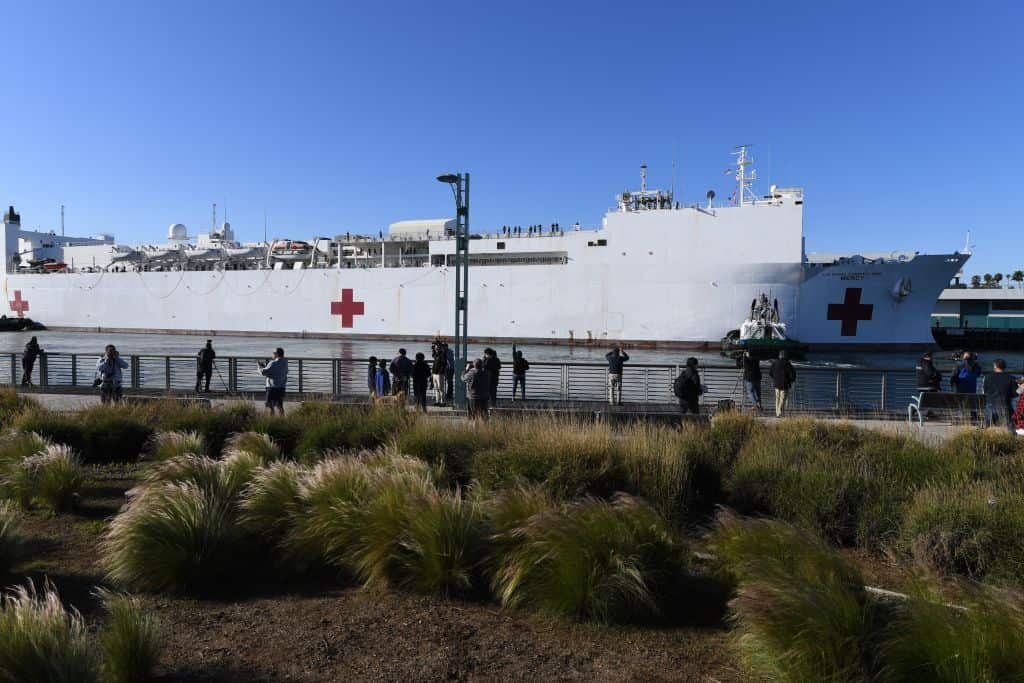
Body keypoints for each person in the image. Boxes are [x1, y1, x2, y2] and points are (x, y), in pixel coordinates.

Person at [983, 358, 1016, 434]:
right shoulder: (1011, 378)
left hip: (990, 406)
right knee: (1011, 424)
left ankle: (978, 436)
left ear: (995, 366)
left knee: (985, 424)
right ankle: (1012, 437)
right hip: (1005, 407)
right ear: (1004, 367)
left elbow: (985, 391)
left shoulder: (987, 377)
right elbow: (1014, 394)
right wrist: (1021, 388)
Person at [258, 347, 288, 416]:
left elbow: (263, 372)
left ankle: (271, 422)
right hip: (281, 387)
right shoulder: (285, 362)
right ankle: (282, 421)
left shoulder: (273, 363)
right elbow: (276, 372)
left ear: (276, 354)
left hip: (272, 387)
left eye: (273, 353)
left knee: (270, 406)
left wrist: (259, 367)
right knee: (279, 406)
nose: (272, 355)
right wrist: (266, 367)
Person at [769, 350, 797, 417]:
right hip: (785, 384)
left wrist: (775, 378)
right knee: (782, 399)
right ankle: (780, 413)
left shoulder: (775, 363)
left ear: (779, 356)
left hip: (776, 384)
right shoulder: (788, 364)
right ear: (785, 356)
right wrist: (791, 381)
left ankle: (777, 413)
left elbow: (770, 373)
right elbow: (792, 374)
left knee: (777, 399)